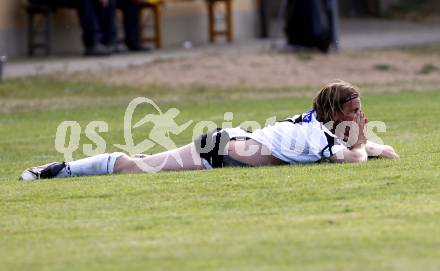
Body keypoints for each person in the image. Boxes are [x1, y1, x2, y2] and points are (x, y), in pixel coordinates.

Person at [19, 81, 399, 181]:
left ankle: (64, 169)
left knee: (137, 165)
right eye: (354, 110)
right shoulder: (320, 136)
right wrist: (364, 145)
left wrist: (376, 146)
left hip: (227, 144)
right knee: (135, 167)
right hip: (220, 150)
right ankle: (58, 169)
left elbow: (372, 150)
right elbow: (352, 159)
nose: (361, 115)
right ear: (334, 112)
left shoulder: (318, 125)